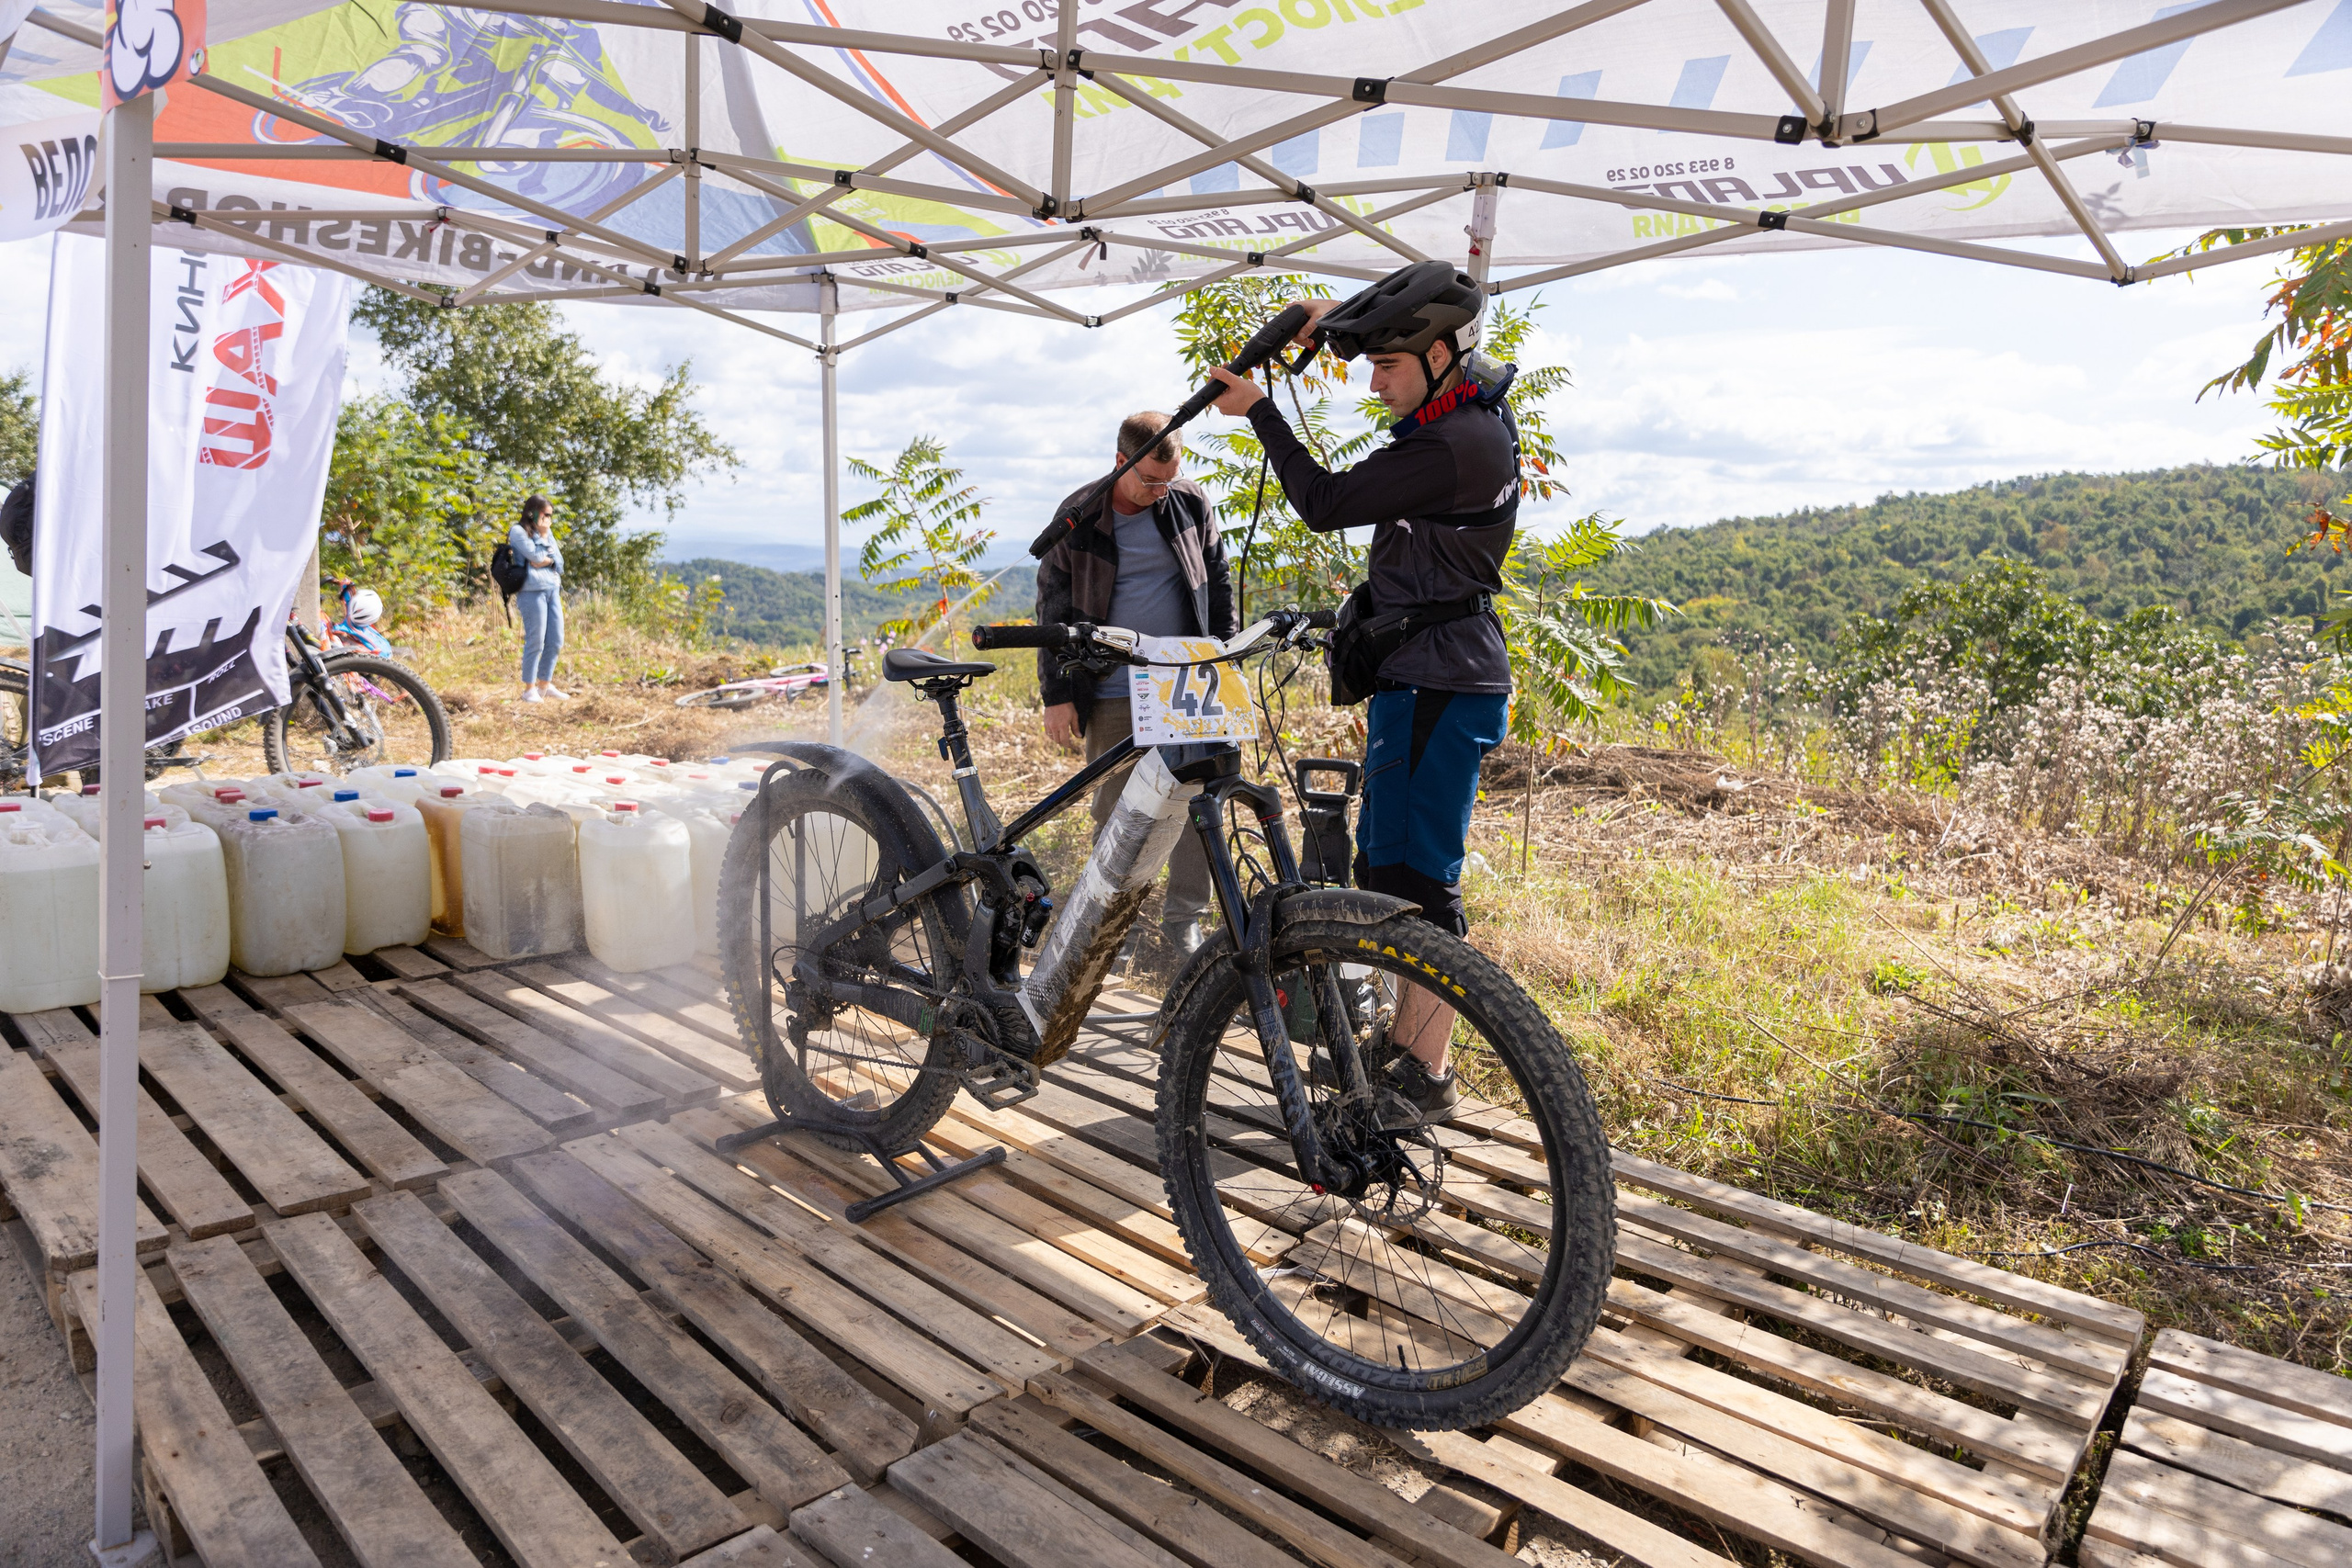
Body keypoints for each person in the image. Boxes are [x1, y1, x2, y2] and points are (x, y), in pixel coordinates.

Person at [1205, 264, 1519, 1120]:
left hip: (1437, 685)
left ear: (1441, 354)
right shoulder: (1472, 405)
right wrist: (1329, 322)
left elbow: (1322, 499)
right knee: (1388, 872)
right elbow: (1404, 349)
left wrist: (1259, 410)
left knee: (1417, 888)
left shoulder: (1454, 447)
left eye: (1388, 366)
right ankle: (1408, 1055)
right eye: (1369, 363)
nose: (1372, 382)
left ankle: (1423, 1072)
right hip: (1425, 680)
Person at [1035, 411, 1237, 969]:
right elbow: (1051, 604)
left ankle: (1184, 919)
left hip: (1188, 680)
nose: (1158, 491)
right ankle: (1111, 923)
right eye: (1149, 480)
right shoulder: (1079, 516)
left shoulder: (1189, 502)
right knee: (1118, 808)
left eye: (1167, 480)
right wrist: (1056, 693)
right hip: (1113, 684)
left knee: (1198, 801)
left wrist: (1224, 651)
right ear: (1120, 462)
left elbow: (1215, 578)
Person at [510, 494, 568, 702]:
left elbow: (559, 563)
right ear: (532, 512)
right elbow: (533, 556)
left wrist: (547, 559)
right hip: (531, 591)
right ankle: (529, 689)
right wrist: (543, 541)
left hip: (553, 589)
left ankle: (545, 684)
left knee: (556, 639)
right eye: (546, 514)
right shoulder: (518, 532)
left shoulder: (547, 532)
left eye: (550, 515)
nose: (549, 519)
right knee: (536, 640)